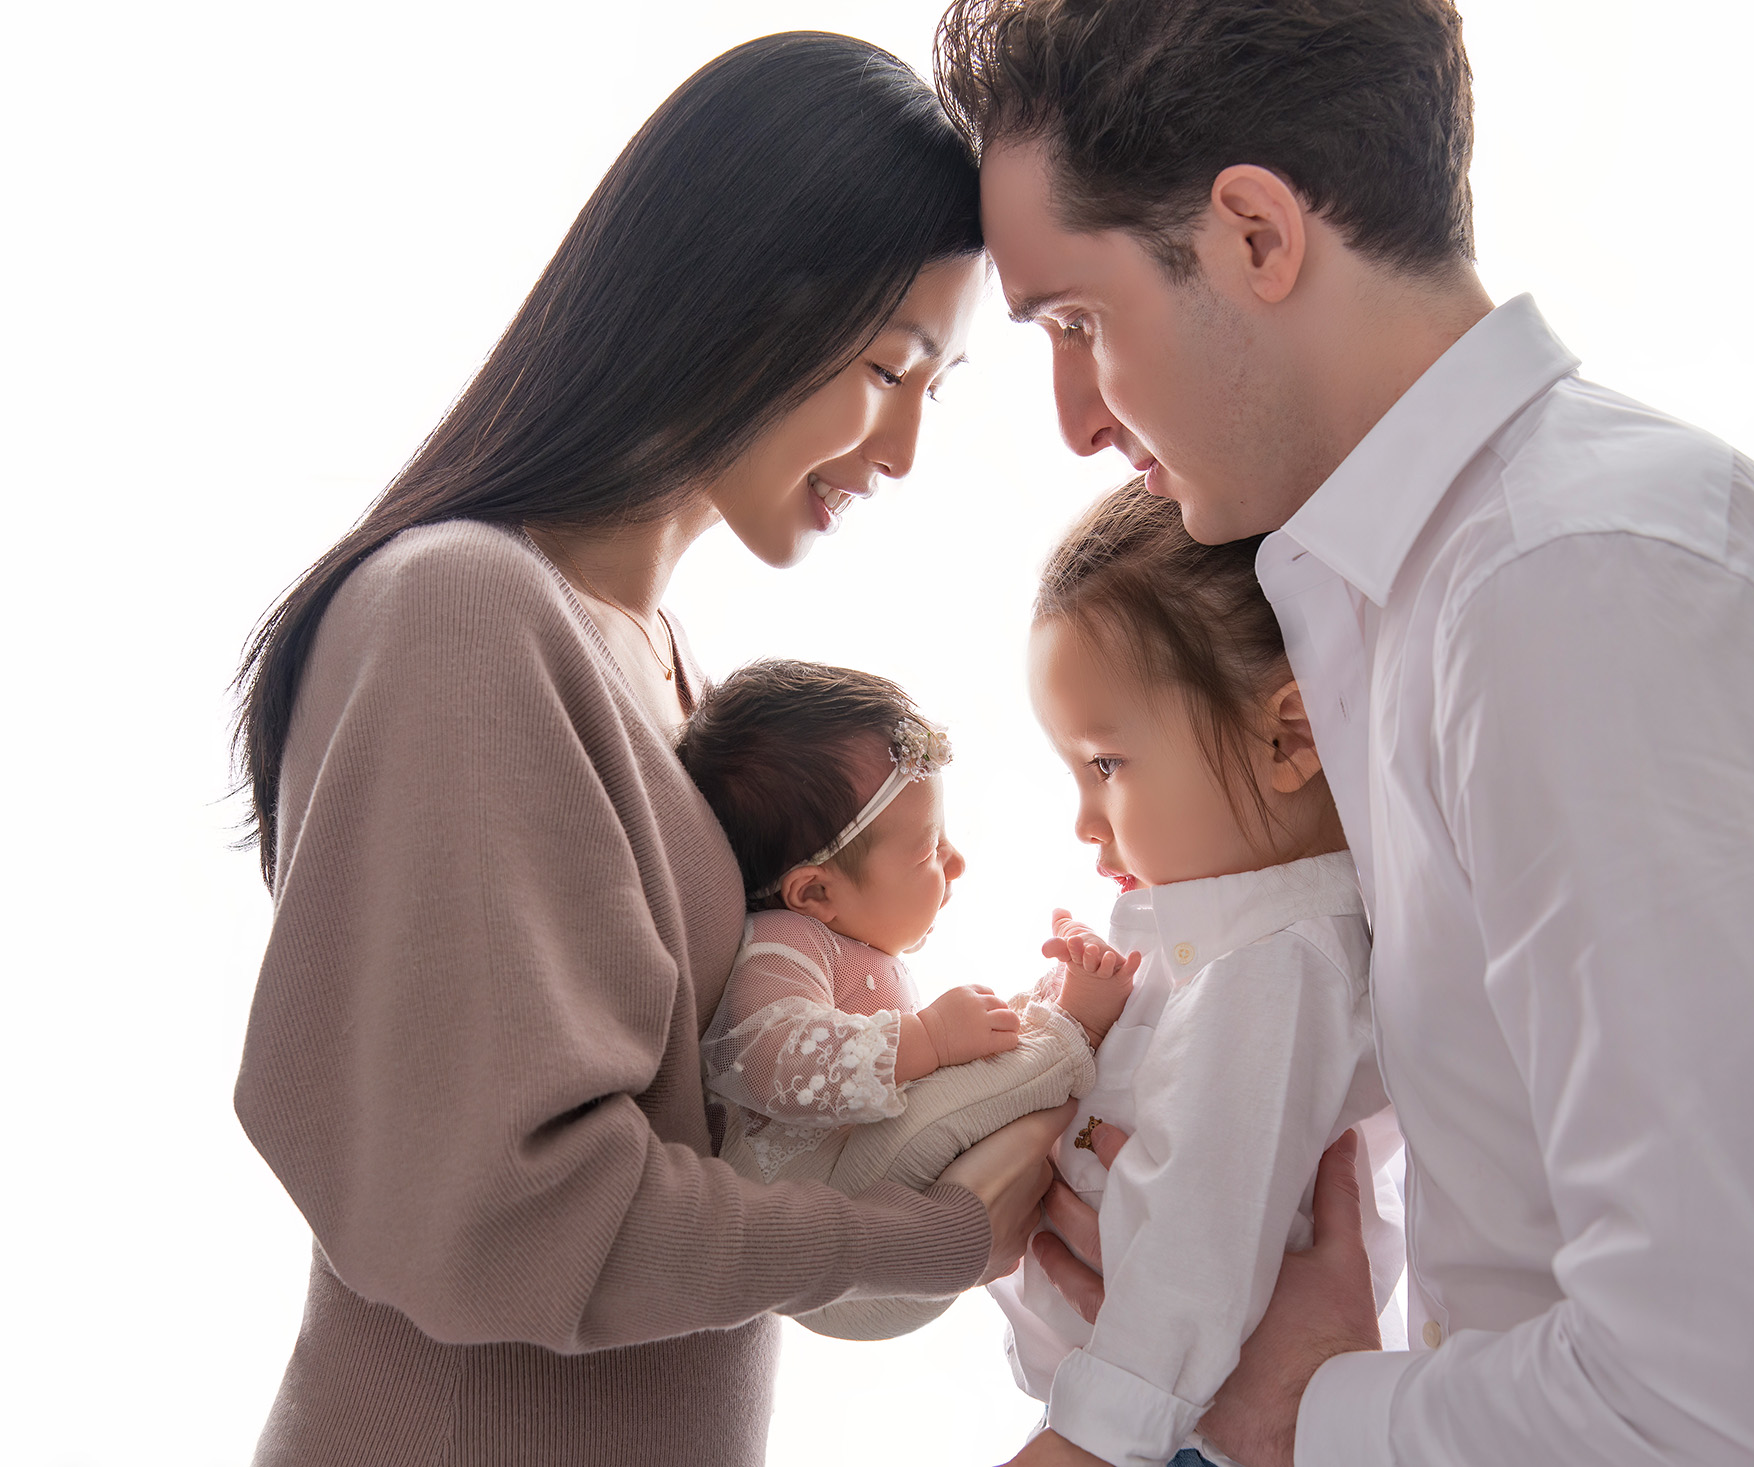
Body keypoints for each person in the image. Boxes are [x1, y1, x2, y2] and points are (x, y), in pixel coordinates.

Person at [933, 1, 1754, 1464]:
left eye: (1076, 321)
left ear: (1254, 234)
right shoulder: (1413, 603)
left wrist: (1297, 1416)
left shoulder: (1575, 585)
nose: (1071, 419)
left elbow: (1735, 1407)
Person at [229, 33, 1065, 1467]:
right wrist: (924, 1235)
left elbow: (715, 1121)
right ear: (743, 302)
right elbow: (515, 1210)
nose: (906, 450)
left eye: (940, 386)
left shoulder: (670, 665)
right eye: (888, 366)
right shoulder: (464, 613)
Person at [990, 482, 1401, 1467]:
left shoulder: (1275, 960)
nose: (1085, 821)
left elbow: (1198, 1242)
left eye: (1104, 765)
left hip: (1162, 1431)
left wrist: (1084, 1443)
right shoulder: (1220, 946)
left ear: (1285, 738)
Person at [678, 659, 1129, 1188]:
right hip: (819, 1188)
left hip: (860, 1166)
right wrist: (929, 1039)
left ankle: (1045, 1005)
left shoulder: (844, 944)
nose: (955, 861)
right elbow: (766, 1057)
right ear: (816, 892)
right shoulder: (787, 941)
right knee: (955, 1094)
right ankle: (1072, 1028)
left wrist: (946, 1039)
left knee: (969, 1073)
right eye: (928, 852)